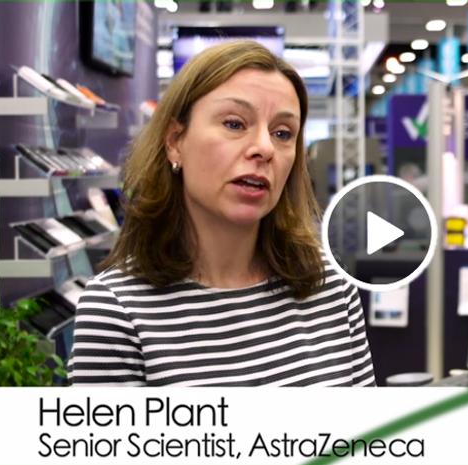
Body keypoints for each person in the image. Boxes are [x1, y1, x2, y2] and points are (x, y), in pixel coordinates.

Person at [68, 41, 375, 386]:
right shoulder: (116, 309)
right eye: (234, 124)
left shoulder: (330, 284)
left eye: (282, 133)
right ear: (175, 141)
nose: (264, 148)